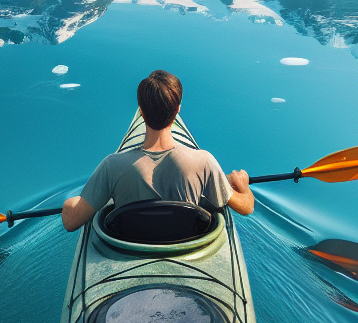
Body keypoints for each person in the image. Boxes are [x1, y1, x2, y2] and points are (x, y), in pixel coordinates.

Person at [61, 70, 254, 231]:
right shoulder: (204, 162)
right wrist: (242, 185)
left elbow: (71, 222)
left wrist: (69, 204)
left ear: (141, 112)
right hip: (185, 246)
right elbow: (246, 207)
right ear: (177, 110)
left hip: (131, 247)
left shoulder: (112, 165)